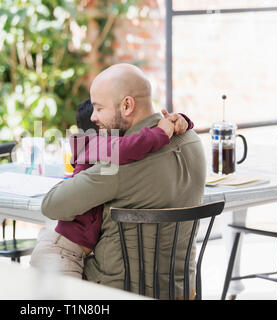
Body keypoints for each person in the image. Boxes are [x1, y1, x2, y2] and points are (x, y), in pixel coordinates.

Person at [41, 63, 206, 299]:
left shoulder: (119, 163)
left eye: (98, 108)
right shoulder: (193, 141)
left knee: (47, 250)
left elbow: (52, 205)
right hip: (181, 290)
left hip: (120, 290)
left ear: (127, 105)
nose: (93, 117)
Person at [30, 98, 194, 279]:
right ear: (100, 127)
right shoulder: (95, 145)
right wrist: (161, 131)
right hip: (61, 253)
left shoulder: (98, 145)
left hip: (72, 252)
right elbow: (130, 147)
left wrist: (180, 120)